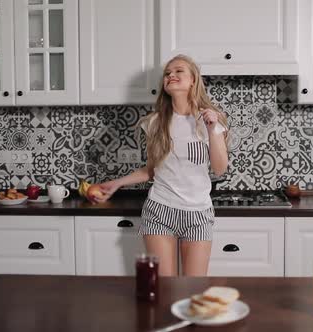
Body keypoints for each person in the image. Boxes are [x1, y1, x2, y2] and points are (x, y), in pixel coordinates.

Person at [90, 54, 229, 277]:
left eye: (178, 71)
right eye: (167, 73)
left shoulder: (210, 120)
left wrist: (212, 129)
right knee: (165, 289)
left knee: (194, 288)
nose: (171, 75)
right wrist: (116, 184)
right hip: (160, 210)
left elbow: (220, 168)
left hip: (198, 214)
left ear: (193, 79)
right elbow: (152, 170)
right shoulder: (154, 122)